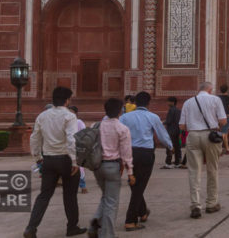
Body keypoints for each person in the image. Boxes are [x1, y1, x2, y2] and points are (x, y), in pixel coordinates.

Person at [24, 86, 86, 238]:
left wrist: (37, 157)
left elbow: (34, 137)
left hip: (49, 160)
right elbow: (71, 139)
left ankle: (31, 228)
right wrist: (74, 161)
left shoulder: (42, 116)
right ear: (67, 100)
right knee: (70, 196)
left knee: (44, 195)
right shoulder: (70, 116)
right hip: (65, 159)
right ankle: (72, 227)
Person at [119, 91, 174, 230]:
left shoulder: (125, 117)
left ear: (135, 102)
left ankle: (142, 212)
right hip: (145, 153)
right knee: (139, 186)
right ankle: (130, 220)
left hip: (129, 152)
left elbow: (117, 132)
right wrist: (170, 147)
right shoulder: (152, 117)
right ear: (149, 103)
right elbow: (162, 135)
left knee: (134, 183)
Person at [180, 81, 228, 218]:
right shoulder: (215, 100)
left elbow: (182, 126)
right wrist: (215, 125)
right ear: (210, 89)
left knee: (194, 171)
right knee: (212, 169)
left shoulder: (188, 102)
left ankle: (195, 205)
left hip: (193, 135)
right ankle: (211, 203)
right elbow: (223, 121)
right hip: (210, 135)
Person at [87, 97, 134, 238]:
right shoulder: (122, 128)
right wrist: (130, 172)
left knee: (106, 196)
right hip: (112, 166)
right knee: (111, 202)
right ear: (120, 111)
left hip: (97, 167)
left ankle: (97, 220)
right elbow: (126, 153)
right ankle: (107, 234)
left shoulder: (96, 125)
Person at [160, 96, 183, 169]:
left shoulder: (171, 110)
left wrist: (162, 122)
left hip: (171, 131)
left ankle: (168, 163)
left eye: (168, 101)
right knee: (177, 147)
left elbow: (169, 121)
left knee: (169, 146)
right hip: (177, 130)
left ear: (172, 102)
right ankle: (177, 162)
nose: (167, 103)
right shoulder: (178, 110)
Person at [70, 106, 88, 194]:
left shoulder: (79, 122)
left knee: (80, 167)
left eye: (72, 112)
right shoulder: (66, 122)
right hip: (68, 148)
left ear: (76, 113)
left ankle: (83, 185)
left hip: (78, 148)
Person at [217, 84, 229, 154]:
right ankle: (226, 148)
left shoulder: (218, 97)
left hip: (218, 116)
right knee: (224, 132)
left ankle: (223, 147)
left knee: (220, 131)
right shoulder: (228, 98)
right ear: (227, 90)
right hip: (227, 115)